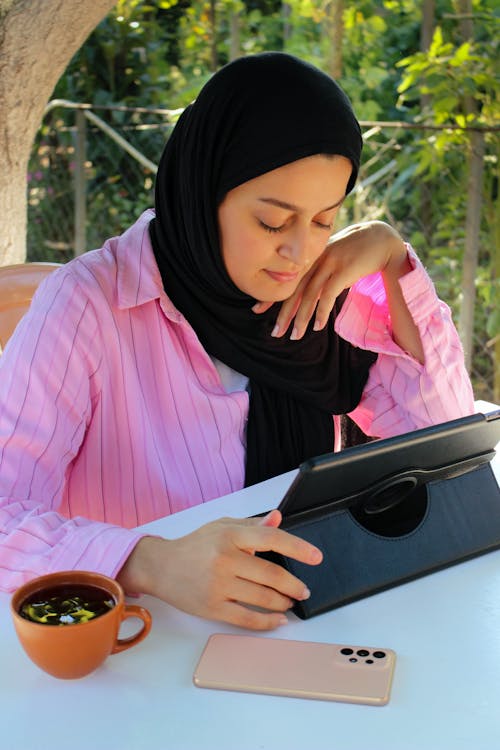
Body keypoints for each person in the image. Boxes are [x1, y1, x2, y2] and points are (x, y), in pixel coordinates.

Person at [0, 52, 474, 630]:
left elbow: (446, 455)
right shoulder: (89, 307)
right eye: (273, 222)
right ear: (204, 193)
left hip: (306, 633)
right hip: (146, 655)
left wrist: (391, 259)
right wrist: (148, 561)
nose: (299, 252)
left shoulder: (318, 298)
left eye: (324, 220)